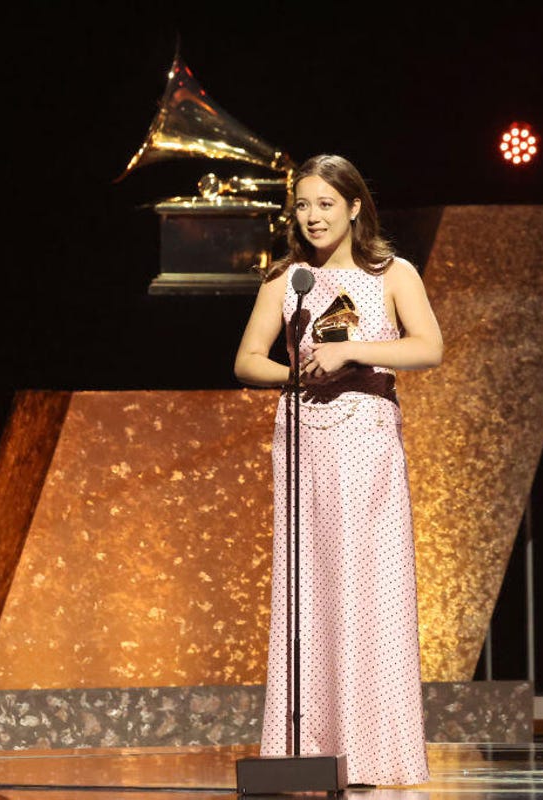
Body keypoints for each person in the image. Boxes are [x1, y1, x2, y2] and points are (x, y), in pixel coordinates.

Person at [234, 154, 443, 787]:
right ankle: (309, 744)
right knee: (309, 588)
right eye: (303, 205)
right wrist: (294, 375)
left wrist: (349, 350)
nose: (314, 216)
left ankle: (375, 750)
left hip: (369, 443)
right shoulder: (287, 279)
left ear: (354, 207)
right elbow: (246, 360)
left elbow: (428, 347)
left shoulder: (392, 274)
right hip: (305, 440)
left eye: (326, 203)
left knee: (370, 589)